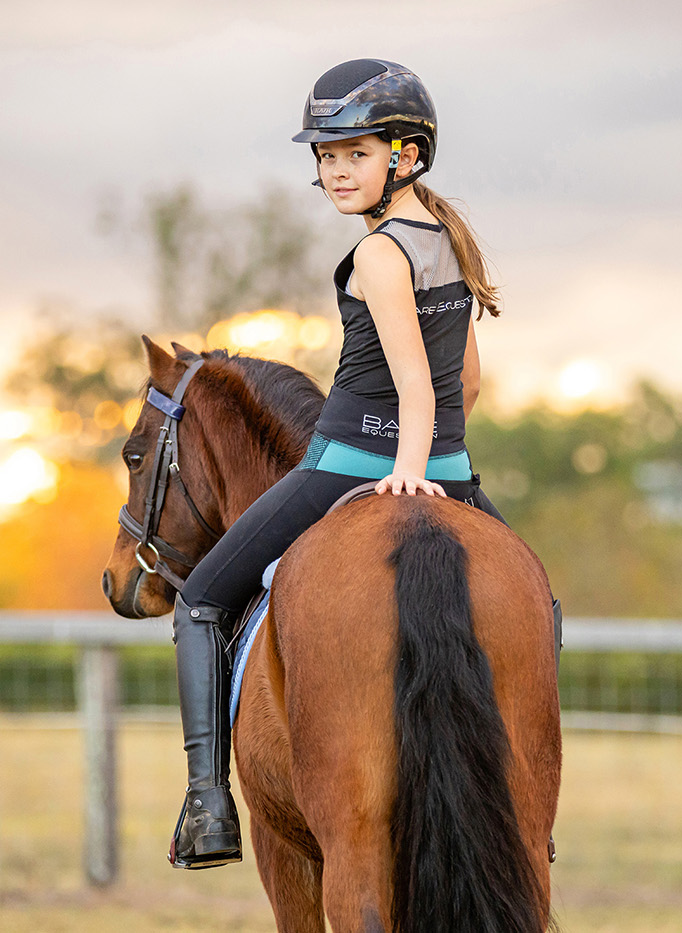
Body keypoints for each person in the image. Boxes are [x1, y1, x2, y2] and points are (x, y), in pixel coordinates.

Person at [166, 57, 558, 870]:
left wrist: (405, 470)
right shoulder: (446, 236)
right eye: (326, 155)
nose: (336, 170)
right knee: (540, 606)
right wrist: (442, 462)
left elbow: (416, 379)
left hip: (351, 465)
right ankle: (530, 811)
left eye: (356, 153)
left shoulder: (381, 253)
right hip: (452, 467)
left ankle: (208, 805)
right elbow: (467, 379)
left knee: (202, 599)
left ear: (405, 156)